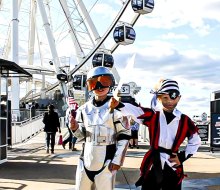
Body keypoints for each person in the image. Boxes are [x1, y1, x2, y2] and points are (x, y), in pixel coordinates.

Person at [114, 78, 201, 190]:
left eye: (173, 98)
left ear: (179, 98)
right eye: (165, 98)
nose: (170, 101)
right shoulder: (153, 115)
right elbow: (136, 111)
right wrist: (118, 105)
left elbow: (196, 140)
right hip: (153, 162)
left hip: (173, 164)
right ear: (159, 98)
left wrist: (182, 157)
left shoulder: (185, 120)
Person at [69, 66, 131, 190]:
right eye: (93, 83)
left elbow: (124, 135)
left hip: (106, 161)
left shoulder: (116, 108)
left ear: (111, 83)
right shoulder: (84, 109)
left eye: (104, 81)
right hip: (85, 160)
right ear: (89, 86)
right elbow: (82, 136)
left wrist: (117, 160)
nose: (99, 86)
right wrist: (74, 128)